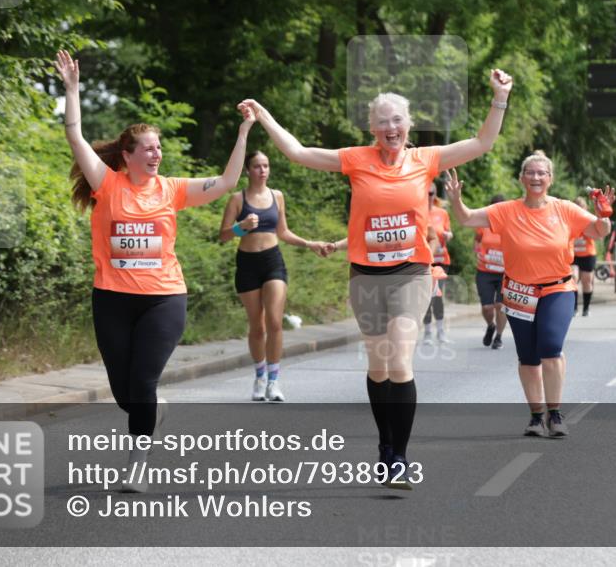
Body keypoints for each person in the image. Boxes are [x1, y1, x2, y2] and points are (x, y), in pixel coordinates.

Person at [238, 68, 513, 488]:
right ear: (372, 128)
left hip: (411, 273)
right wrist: (264, 115)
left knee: (400, 359)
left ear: (408, 125)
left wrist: (500, 97)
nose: (391, 128)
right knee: (379, 365)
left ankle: (399, 458)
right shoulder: (356, 159)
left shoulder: (426, 159)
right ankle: (385, 444)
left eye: (397, 120)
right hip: (366, 275)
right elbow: (297, 152)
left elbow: (482, 142)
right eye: (382, 121)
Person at [56, 50, 252, 493]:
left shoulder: (172, 190)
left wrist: (242, 133)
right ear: (126, 157)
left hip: (164, 298)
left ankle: (137, 465)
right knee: (125, 392)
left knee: (143, 381)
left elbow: (224, 183)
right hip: (112, 298)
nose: (156, 154)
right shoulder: (108, 185)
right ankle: (150, 410)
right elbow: (75, 136)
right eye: (148, 148)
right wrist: (72, 90)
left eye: (159, 148)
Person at [444, 152, 614, 438]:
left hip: (556, 289)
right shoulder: (507, 210)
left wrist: (604, 214)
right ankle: (536, 416)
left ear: (550, 179)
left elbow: (598, 232)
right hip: (519, 291)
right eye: (530, 173)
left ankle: (555, 413)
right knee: (528, 357)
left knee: (550, 348)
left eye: (541, 173)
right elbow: (467, 219)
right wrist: (456, 200)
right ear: (521, 178)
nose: (536, 178)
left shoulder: (565, 209)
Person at [219, 151, 330, 403]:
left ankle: (273, 381)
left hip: (272, 261)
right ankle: (259, 377)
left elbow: (284, 232)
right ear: (248, 170)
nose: (262, 170)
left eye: (266, 166)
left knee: (275, 322)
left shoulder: (277, 196)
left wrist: (309, 243)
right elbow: (223, 235)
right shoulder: (237, 199)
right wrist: (241, 226)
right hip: (247, 263)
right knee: (257, 327)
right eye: (257, 166)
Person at [474, 195, 508, 349]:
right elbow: (477, 239)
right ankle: (490, 326)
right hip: (485, 271)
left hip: (505, 273)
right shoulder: (484, 224)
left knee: (500, 306)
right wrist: (477, 252)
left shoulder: (510, 226)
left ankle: (499, 337)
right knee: (487, 307)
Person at [422, 184, 454, 345]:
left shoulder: (442, 213)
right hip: (423, 261)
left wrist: (448, 235)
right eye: (425, 192)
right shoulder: (416, 212)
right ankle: (427, 332)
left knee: (437, 296)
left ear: (434, 194)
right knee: (426, 297)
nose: (428, 196)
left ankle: (440, 332)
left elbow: (448, 231)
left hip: (441, 260)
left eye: (431, 193)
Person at [571, 196, 598, 317]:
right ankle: (574, 307)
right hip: (573, 255)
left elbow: (598, 235)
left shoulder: (590, 221)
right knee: (573, 278)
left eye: (581, 208)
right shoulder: (569, 220)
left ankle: (586, 307)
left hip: (588, 254)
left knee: (587, 281)